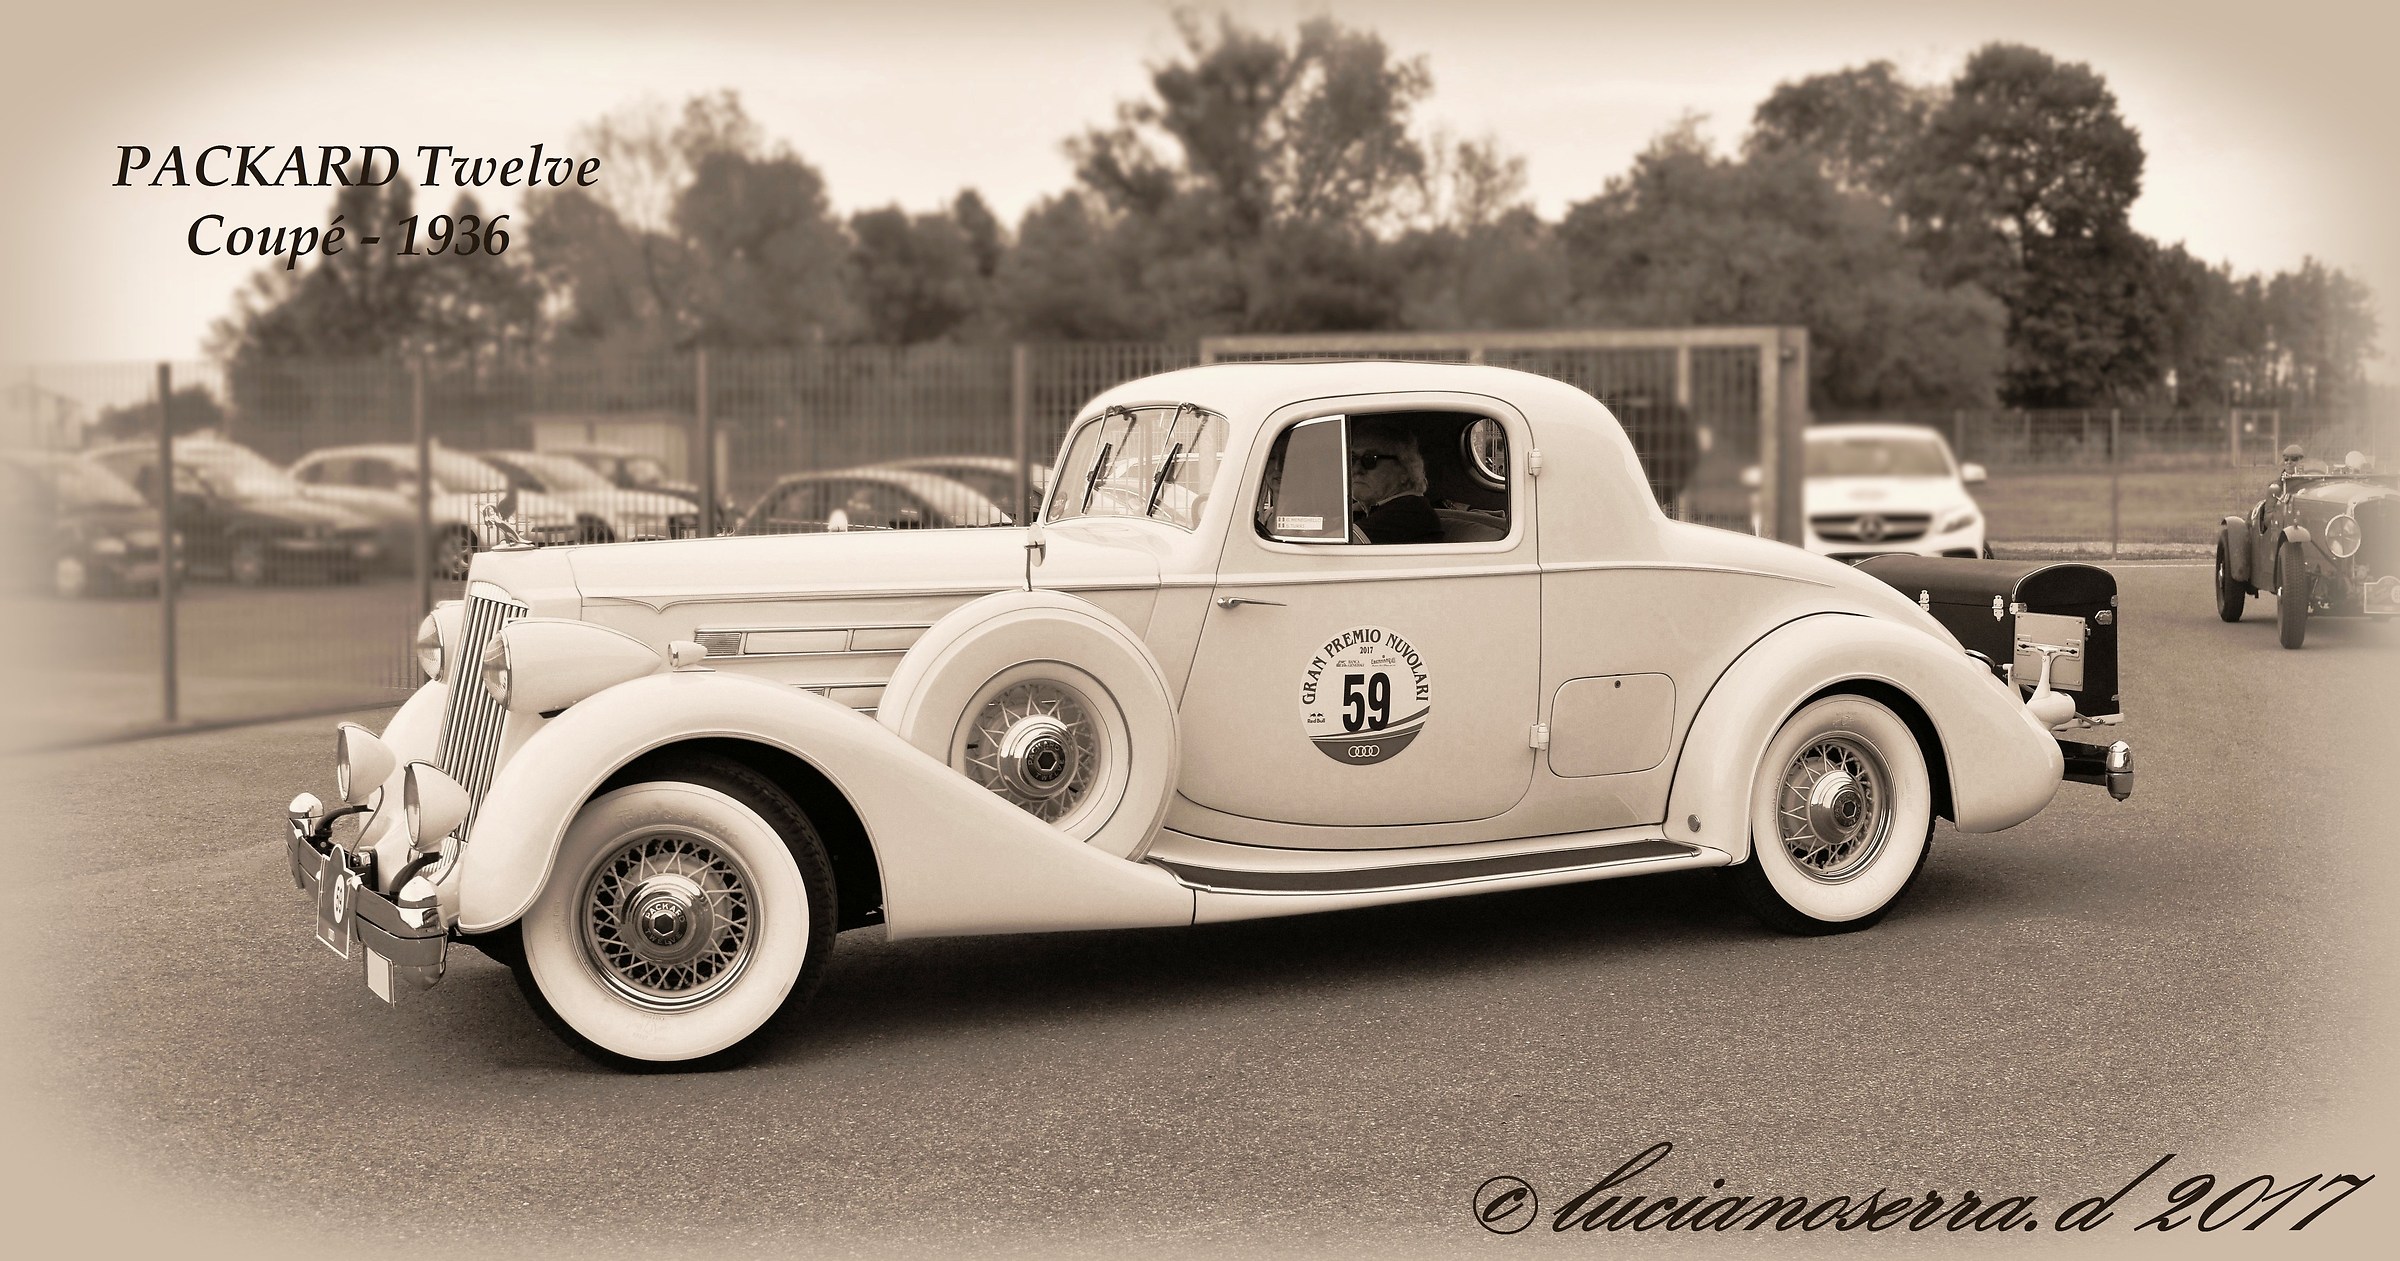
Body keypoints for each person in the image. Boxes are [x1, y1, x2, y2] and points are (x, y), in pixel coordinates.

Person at [1348, 421, 1440, 544]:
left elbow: (1332, 548)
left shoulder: (1410, 512)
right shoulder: (1373, 509)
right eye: (1352, 459)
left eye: (1370, 459)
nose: (1356, 469)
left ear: (1405, 469)